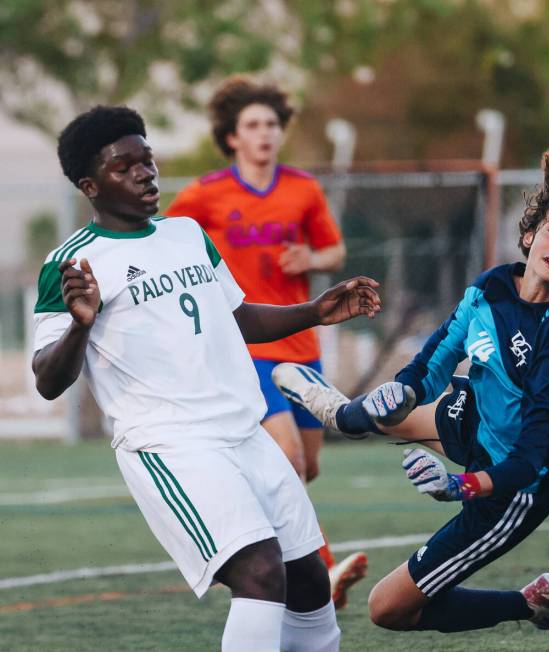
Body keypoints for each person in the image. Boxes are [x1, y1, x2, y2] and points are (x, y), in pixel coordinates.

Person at [32, 105, 381, 651]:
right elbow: (48, 379)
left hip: (245, 431)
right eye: (125, 166)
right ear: (90, 185)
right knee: (261, 574)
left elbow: (237, 317)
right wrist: (81, 327)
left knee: (309, 580)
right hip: (172, 446)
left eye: (147, 159)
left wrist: (315, 310)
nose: (146, 173)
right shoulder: (71, 264)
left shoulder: (187, 234)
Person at [272, 146, 549, 635]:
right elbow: (438, 357)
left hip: (511, 485)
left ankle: (528, 603)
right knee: (377, 413)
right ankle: (342, 414)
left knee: (388, 609)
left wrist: (457, 486)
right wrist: (403, 389)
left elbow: (530, 459)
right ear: (529, 235)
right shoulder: (491, 287)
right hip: (473, 417)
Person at [164, 76, 367, 609]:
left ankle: (276, 555)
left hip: (300, 343)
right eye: (253, 125)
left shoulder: (302, 188)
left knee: (307, 466)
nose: (264, 134)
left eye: (272, 124)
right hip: (244, 346)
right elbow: (164, 243)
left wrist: (311, 259)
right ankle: (317, 571)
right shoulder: (206, 194)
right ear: (232, 137)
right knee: (288, 457)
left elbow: (335, 251)